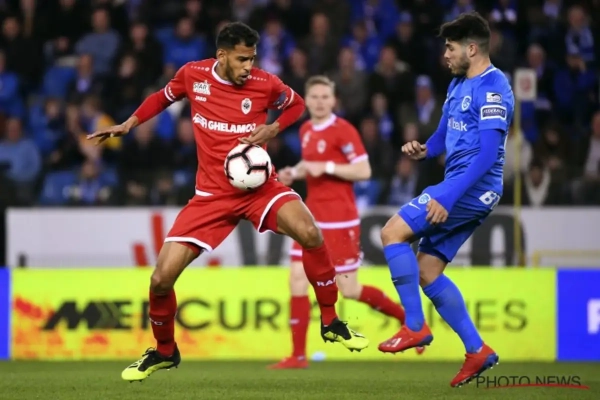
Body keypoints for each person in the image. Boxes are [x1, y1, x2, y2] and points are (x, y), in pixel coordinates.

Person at [87, 22, 369, 382]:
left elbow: (296, 104)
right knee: (160, 280)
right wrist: (129, 123)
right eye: (241, 59)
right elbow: (162, 97)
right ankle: (164, 351)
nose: (249, 66)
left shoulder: (266, 83)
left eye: (252, 59)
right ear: (221, 55)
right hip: (212, 196)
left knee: (310, 232)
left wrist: (274, 128)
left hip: (260, 189)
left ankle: (330, 321)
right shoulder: (193, 76)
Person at [376, 12, 514, 387]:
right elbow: (443, 135)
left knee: (391, 233)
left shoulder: (494, 87)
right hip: (460, 185)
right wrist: (425, 149)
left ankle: (414, 326)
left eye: (451, 48)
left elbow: (487, 154)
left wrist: (449, 197)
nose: (445, 55)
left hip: (472, 188)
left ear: (472, 49)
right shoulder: (457, 84)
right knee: (427, 271)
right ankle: (477, 350)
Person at [270, 76, 424, 369]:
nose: (319, 102)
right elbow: (312, 165)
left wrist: (326, 166)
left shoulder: (343, 130)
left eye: (324, 97)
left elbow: (364, 171)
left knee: (349, 290)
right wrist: (295, 172)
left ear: (333, 100)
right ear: (306, 100)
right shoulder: (305, 129)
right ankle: (298, 355)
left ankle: (410, 322)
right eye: (314, 97)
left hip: (340, 221)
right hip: (310, 219)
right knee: (297, 279)